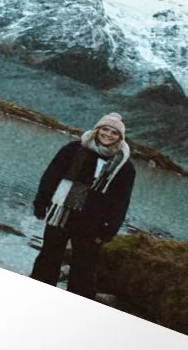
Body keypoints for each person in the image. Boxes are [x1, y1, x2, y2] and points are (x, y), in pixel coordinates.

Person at [30, 112, 135, 298]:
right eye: (105, 129)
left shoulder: (125, 166)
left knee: (84, 267)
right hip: (62, 213)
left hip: (93, 221)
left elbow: (121, 200)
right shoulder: (73, 149)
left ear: (120, 137)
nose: (108, 134)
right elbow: (52, 175)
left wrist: (110, 228)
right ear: (97, 129)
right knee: (49, 257)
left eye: (114, 133)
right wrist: (41, 201)